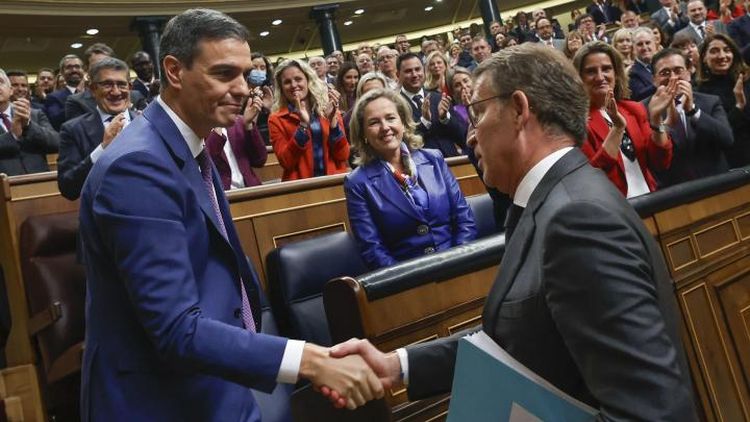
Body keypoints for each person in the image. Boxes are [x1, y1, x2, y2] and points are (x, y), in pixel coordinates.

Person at [328, 44, 698, 421]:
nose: (471, 136)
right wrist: (397, 365)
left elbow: (652, 412)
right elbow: (517, 335)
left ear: (519, 110)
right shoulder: (548, 202)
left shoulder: (578, 220)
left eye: (477, 113)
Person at [78, 9, 382, 421]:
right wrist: (310, 360)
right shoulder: (138, 166)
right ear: (174, 71)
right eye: (224, 74)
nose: (241, 88)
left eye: (245, 74)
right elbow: (175, 328)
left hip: (218, 377)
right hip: (163, 400)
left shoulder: (191, 144)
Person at [344, 89, 476, 270]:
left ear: (403, 122)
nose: (385, 127)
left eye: (390, 118)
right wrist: (412, 280)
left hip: (459, 266)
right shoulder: (357, 183)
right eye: (374, 122)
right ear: (363, 134)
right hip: (406, 279)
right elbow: (373, 250)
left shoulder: (433, 158)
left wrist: (457, 264)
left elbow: (464, 219)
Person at [575, 41, 674, 197]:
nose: (600, 77)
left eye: (606, 69)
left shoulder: (633, 109)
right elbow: (592, 177)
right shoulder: (576, 122)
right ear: (579, 78)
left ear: (616, 73)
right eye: (591, 71)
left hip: (651, 200)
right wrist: (617, 129)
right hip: (613, 206)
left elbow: (661, 162)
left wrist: (656, 120)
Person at [647, 48, 734, 187]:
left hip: (717, 185)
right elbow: (652, 158)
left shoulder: (710, 102)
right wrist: (661, 124)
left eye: (678, 70)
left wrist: (693, 111)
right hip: (673, 192)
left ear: (688, 72)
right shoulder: (644, 109)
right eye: (665, 73)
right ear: (654, 79)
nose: (673, 78)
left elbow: (727, 139)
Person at [57, 58, 137, 200]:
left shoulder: (148, 122)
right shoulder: (73, 130)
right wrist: (103, 148)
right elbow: (68, 188)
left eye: (121, 84)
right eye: (107, 84)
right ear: (93, 89)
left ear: (130, 87)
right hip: (105, 210)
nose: (116, 92)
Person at [268, 59, 350, 181]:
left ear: (308, 80)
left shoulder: (329, 110)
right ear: (281, 88)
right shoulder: (276, 119)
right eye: (287, 82)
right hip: (301, 186)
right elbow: (286, 162)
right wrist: (303, 126)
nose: (294, 85)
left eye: (298, 79)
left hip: (333, 182)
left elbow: (343, 155)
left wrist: (333, 124)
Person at [697, 34, 750, 167]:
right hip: (736, 160)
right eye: (714, 51)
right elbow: (719, 133)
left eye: (727, 50)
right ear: (704, 58)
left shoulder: (746, 78)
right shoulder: (700, 92)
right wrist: (739, 106)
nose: (722, 56)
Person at [0, 69, 60, 176]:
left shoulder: (34, 114)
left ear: (10, 90)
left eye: (1, 82)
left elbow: (56, 143)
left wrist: (28, 126)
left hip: (40, 180)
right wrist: (13, 135)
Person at [630, 27, 659, 101]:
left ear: (655, 45)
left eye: (648, 43)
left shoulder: (663, 64)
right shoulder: (632, 73)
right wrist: (658, 83)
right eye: (640, 44)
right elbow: (639, 96)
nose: (645, 47)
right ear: (633, 48)